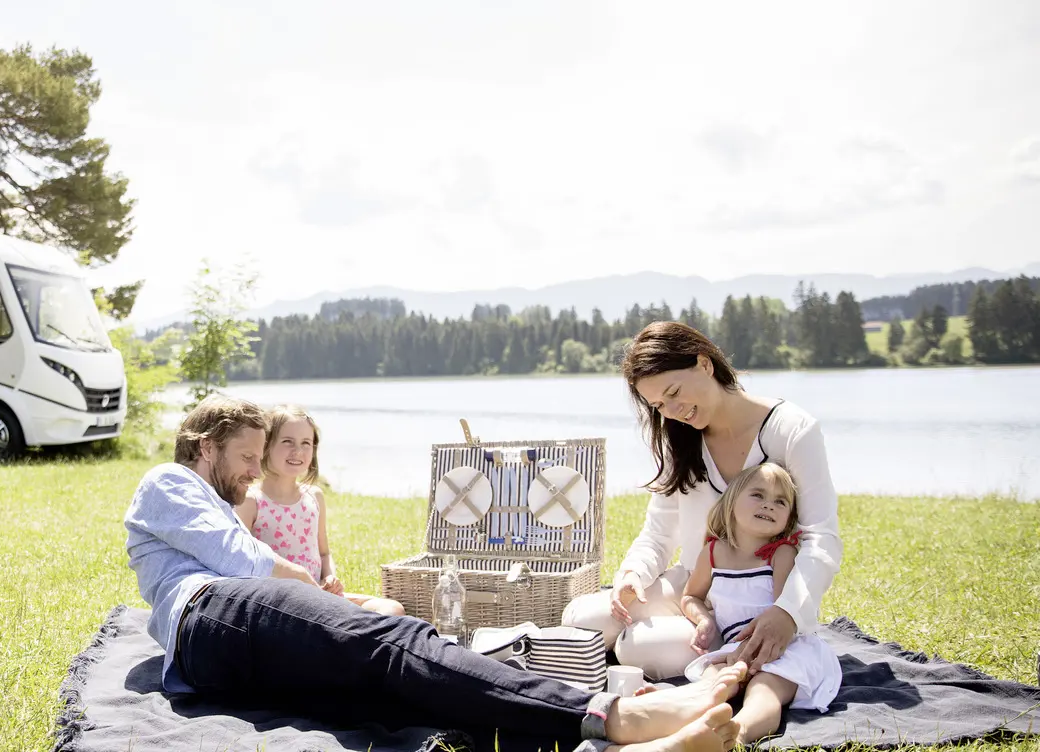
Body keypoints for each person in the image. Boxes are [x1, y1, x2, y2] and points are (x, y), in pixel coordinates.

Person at [125, 393, 752, 752]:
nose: (253, 472)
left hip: (220, 657)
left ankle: (607, 743)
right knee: (394, 643)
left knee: (390, 688)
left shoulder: (218, 502)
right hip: (217, 609)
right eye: (243, 458)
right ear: (204, 446)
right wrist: (333, 602)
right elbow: (250, 565)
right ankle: (611, 713)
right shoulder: (170, 481)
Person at [561, 322, 844, 681]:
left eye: (675, 391)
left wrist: (787, 613)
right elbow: (659, 534)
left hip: (756, 601)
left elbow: (821, 538)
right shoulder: (679, 439)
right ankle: (684, 635)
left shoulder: (792, 431)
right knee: (582, 618)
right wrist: (633, 575)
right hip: (695, 585)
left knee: (636, 648)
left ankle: (726, 646)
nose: (672, 410)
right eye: (659, 404)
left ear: (704, 364)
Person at [681, 462, 841, 746]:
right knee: (714, 679)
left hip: (784, 648)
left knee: (765, 687)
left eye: (780, 501)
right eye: (758, 495)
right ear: (730, 502)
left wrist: (758, 660)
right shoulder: (713, 553)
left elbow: (783, 615)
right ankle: (678, 717)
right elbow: (690, 596)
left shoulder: (781, 555)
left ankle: (739, 732)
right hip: (735, 647)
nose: (769, 505)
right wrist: (704, 619)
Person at [236, 404, 406, 616]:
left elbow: (324, 553)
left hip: (320, 595)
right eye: (287, 441)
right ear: (265, 446)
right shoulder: (252, 502)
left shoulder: (314, 497)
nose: (298, 451)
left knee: (392, 609)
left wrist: (330, 578)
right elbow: (244, 565)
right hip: (281, 606)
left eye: (306, 443)